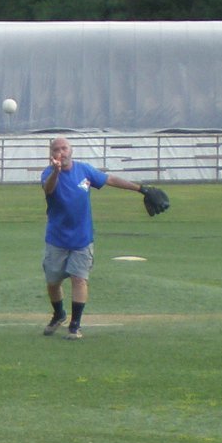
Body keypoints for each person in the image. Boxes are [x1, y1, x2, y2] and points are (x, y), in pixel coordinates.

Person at [39, 136, 149, 339]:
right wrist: (56, 171)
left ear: (71, 150)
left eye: (64, 148)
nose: (61, 152)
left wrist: (141, 189)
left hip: (82, 238)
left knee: (79, 279)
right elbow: (49, 189)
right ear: (51, 154)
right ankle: (59, 314)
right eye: (56, 149)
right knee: (53, 282)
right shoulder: (48, 173)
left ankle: (75, 325)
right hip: (57, 239)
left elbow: (110, 180)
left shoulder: (84, 170)